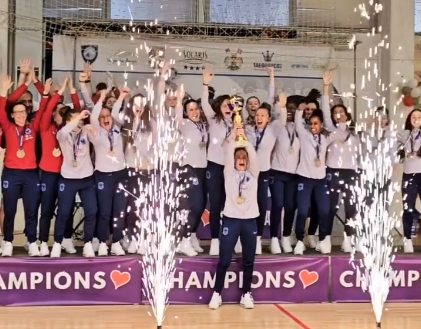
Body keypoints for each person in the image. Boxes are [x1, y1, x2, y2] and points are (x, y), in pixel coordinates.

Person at [209, 125, 258, 310]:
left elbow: (252, 155)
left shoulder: (254, 174)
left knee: (248, 259)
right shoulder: (228, 174)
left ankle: (246, 294)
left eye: (244, 157)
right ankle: (217, 293)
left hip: (250, 220)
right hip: (231, 219)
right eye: (239, 157)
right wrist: (236, 136)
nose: (242, 159)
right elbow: (229, 153)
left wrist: (244, 138)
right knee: (224, 259)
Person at [0, 75, 48, 257]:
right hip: (11, 174)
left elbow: (44, 107)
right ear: (12, 115)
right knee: (10, 209)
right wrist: (4, 91)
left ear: (27, 114)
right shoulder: (8, 127)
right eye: (17, 112)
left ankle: (32, 241)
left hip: (30, 174)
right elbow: (0, 110)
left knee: (31, 210)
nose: (20, 114)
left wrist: (40, 89)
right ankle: (8, 242)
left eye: (23, 112)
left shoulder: (33, 128)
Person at [293, 107, 346, 255]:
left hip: (320, 180)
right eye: (311, 123)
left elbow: (339, 134)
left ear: (321, 125)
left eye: (316, 123)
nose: (313, 126)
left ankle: (323, 240)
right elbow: (298, 124)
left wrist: (342, 123)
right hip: (304, 177)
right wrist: (299, 111)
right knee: (303, 211)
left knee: (324, 211)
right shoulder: (304, 136)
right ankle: (299, 241)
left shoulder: (325, 138)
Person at [112, 92, 157, 255]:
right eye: (136, 104)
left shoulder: (151, 123)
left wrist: (146, 156)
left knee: (143, 208)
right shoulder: (127, 121)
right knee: (131, 207)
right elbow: (113, 114)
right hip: (130, 170)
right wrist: (121, 98)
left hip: (146, 171)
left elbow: (156, 147)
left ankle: (142, 239)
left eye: (142, 104)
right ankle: (132, 237)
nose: (139, 107)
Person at [320, 70, 359, 253]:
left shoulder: (355, 132)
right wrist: (326, 86)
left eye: (341, 111)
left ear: (346, 114)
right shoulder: (330, 129)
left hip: (351, 172)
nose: (338, 114)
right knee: (331, 206)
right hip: (333, 171)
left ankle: (348, 239)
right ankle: (325, 238)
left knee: (351, 207)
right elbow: (325, 110)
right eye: (335, 112)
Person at [51, 109, 97, 258]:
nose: (79, 122)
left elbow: (97, 138)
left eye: (81, 120)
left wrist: (90, 130)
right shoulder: (62, 135)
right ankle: (58, 243)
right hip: (68, 178)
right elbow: (63, 132)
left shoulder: (85, 132)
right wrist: (77, 120)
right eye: (75, 120)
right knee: (63, 213)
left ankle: (88, 243)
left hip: (87, 178)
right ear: (67, 122)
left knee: (91, 211)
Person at [90, 88, 130, 256]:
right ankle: (101, 241)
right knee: (105, 212)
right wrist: (102, 98)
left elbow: (115, 113)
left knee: (119, 211)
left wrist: (121, 96)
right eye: (102, 117)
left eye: (108, 117)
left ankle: (116, 242)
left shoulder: (117, 129)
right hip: (103, 176)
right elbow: (93, 116)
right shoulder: (95, 133)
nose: (106, 119)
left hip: (121, 174)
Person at [201, 67, 232, 255]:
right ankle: (214, 240)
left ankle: (231, 239)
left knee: (230, 204)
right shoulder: (214, 120)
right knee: (215, 204)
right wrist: (205, 84)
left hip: (231, 169)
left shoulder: (238, 124)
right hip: (213, 166)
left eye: (231, 105)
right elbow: (204, 102)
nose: (228, 108)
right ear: (219, 108)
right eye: (225, 105)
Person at [175, 90, 208, 256]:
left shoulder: (203, 125)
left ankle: (192, 235)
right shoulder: (184, 124)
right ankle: (183, 239)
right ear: (186, 113)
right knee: (192, 205)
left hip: (203, 168)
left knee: (201, 205)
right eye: (191, 110)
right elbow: (177, 117)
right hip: (188, 168)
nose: (194, 112)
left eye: (196, 109)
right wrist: (180, 98)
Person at [268, 94, 299, 254]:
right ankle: (274, 238)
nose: (289, 111)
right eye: (287, 108)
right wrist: (280, 106)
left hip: (293, 175)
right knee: (277, 205)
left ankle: (286, 236)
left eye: (292, 108)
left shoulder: (300, 128)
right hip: (277, 172)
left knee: (290, 207)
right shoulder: (277, 126)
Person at [397, 109, 421, 253]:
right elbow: (394, 148)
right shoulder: (405, 134)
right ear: (409, 119)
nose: (416, 119)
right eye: (414, 116)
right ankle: (407, 239)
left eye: (419, 117)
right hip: (409, 175)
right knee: (408, 208)